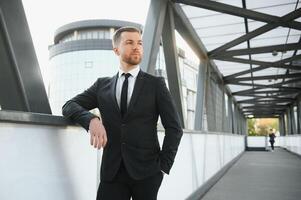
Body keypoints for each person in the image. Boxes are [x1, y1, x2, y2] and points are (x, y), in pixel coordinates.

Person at [62, 26, 183, 200]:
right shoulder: (101, 85)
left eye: (139, 43)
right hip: (112, 173)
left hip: (148, 173)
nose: (136, 47)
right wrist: (92, 120)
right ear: (116, 49)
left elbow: (174, 128)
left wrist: (163, 167)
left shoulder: (156, 85)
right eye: (129, 42)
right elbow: (69, 105)